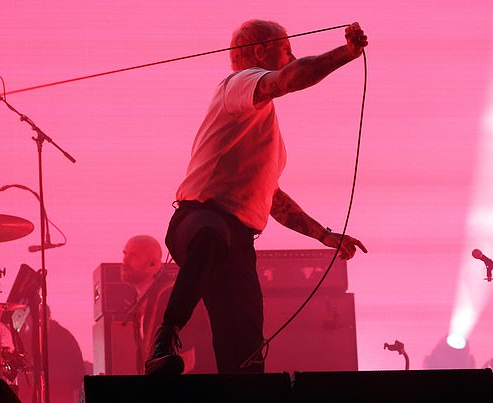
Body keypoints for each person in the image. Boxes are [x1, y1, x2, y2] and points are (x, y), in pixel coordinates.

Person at [145, 20, 369, 375]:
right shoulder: (237, 86)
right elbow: (287, 80)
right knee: (211, 235)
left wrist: (323, 235)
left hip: (238, 239)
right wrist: (346, 53)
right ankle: (165, 337)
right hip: (197, 218)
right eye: (286, 50)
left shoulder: (268, 138)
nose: (292, 56)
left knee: (245, 344)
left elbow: (273, 199)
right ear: (262, 52)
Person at [122, 235, 215, 374]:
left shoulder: (171, 296)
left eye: (133, 256)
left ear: (153, 264)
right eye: (125, 254)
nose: (125, 261)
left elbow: (187, 358)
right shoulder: (141, 304)